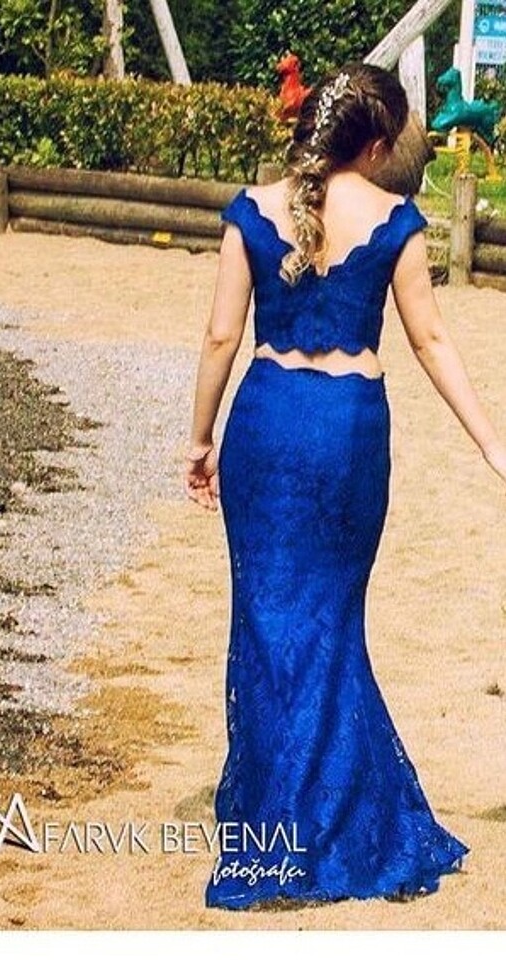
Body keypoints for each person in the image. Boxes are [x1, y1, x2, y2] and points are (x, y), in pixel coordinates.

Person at [184, 61, 506, 911]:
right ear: (374, 143)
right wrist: (491, 442)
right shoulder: (396, 221)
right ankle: (332, 822)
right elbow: (431, 341)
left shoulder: (250, 209)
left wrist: (200, 438)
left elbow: (220, 339)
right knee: (331, 619)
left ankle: (280, 828)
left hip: (265, 426)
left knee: (267, 621)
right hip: (348, 433)